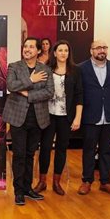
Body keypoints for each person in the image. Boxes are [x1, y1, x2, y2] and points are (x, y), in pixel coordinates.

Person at [4, 37, 54, 205]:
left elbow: (49, 92)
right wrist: (31, 80)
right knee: (19, 155)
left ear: (38, 51)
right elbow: (11, 86)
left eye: (31, 47)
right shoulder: (14, 66)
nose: (27, 49)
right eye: (25, 46)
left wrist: (27, 93)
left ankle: (27, 189)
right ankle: (18, 192)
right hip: (18, 118)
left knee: (30, 155)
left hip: (38, 118)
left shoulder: (45, 69)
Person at [78, 39, 110, 196]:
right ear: (91, 51)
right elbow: (79, 93)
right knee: (89, 150)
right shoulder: (81, 69)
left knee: (106, 150)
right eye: (98, 48)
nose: (102, 50)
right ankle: (87, 181)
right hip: (90, 116)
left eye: (104, 47)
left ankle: (105, 182)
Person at [36, 40, 82, 195]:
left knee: (61, 149)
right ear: (54, 53)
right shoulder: (46, 69)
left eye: (66, 50)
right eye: (60, 50)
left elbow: (79, 96)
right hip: (48, 115)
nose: (63, 53)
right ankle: (42, 181)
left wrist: (77, 118)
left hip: (66, 117)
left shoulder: (75, 71)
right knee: (45, 148)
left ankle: (56, 182)